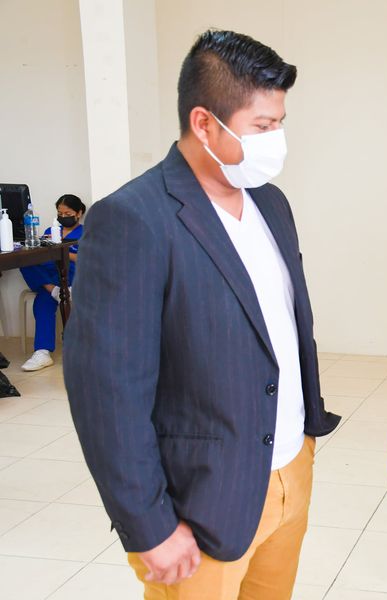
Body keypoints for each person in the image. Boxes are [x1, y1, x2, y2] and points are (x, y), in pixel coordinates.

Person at [64, 30, 340, 599]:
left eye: (280, 122)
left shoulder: (270, 202)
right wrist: (149, 526)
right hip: (201, 503)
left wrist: (303, 447)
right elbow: (108, 393)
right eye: (262, 126)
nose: (277, 140)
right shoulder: (133, 219)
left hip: (290, 470)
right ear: (204, 123)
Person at [19, 193, 85, 371]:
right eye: (60, 214)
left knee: (43, 300)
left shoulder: (87, 232)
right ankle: (54, 291)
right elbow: (40, 253)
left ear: (79, 213)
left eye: (68, 213)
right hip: (49, 275)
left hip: (69, 274)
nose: (63, 217)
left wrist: (61, 251)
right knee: (24, 261)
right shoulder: (51, 230)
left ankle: (42, 351)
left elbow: (89, 259)